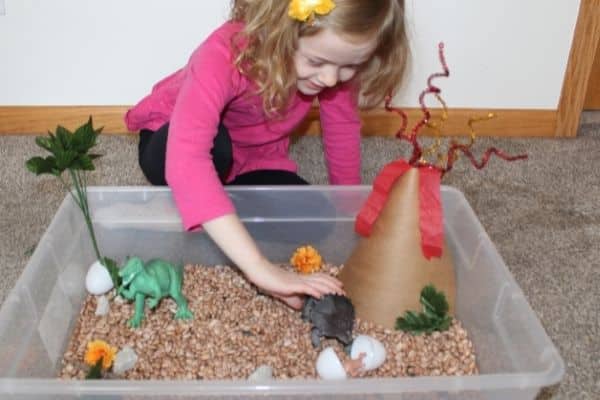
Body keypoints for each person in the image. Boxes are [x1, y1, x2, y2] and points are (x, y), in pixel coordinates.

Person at [124, 0, 408, 310]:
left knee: (315, 221)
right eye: (316, 62)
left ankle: (206, 205)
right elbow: (187, 156)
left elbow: (342, 128)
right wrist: (260, 269)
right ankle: (194, 200)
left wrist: (347, 209)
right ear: (280, 31)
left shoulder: (333, 63)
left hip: (254, 155)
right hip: (172, 138)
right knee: (213, 151)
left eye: (350, 66)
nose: (330, 79)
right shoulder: (224, 53)